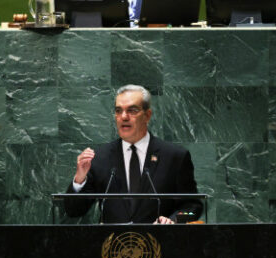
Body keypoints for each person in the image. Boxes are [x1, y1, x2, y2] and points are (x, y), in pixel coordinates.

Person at [64, 85, 202, 224]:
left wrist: (174, 220)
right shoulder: (100, 157)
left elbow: (192, 207)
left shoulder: (174, 156)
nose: (124, 117)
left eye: (132, 110)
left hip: (159, 242)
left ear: (147, 115)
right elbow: (73, 211)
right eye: (118, 111)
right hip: (113, 243)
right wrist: (79, 180)